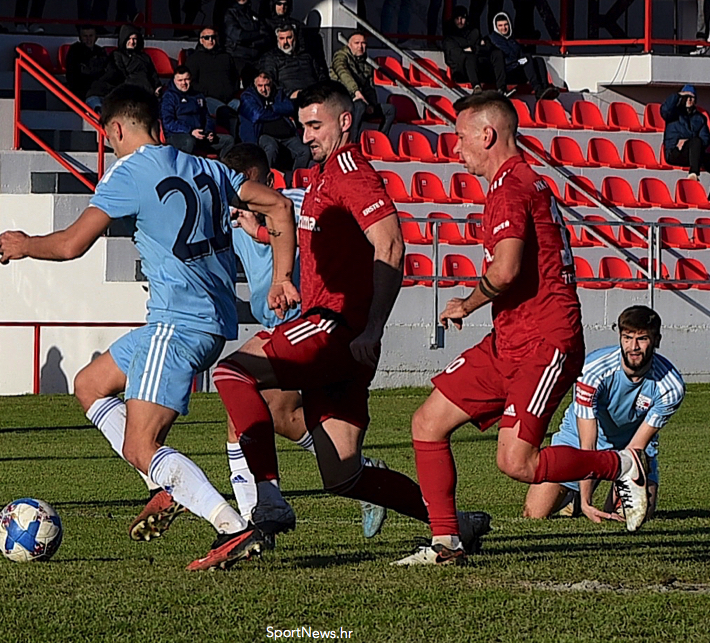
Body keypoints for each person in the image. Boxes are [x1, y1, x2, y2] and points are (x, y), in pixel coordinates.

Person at [0, 84, 300, 571]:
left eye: (108, 136)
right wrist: (282, 277)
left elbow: (74, 244)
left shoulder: (129, 172)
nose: (110, 145)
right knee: (90, 384)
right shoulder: (209, 167)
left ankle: (230, 526)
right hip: (206, 323)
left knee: (141, 446)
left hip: (177, 324)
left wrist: (24, 243)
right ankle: (165, 485)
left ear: (116, 128)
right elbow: (281, 207)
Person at [212, 81, 493, 557]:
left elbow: (392, 245)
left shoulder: (350, 172)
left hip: (336, 327)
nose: (306, 136)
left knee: (230, 370)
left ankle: (268, 500)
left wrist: (373, 327)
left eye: (315, 125)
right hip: (341, 335)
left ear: (345, 121)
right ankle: (453, 523)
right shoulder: (322, 176)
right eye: (302, 127)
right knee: (343, 474)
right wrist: (286, 278)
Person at [398, 92, 651, 566]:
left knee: (516, 462)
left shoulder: (513, 188)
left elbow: (507, 270)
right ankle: (447, 543)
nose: (455, 150)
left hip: (543, 341)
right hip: (509, 339)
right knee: (427, 423)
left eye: (460, 138)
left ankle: (619, 463)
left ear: (486, 135)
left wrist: (467, 303)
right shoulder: (513, 185)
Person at [219, 143, 388, 537]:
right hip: (278, 324)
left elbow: (291, 228)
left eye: (250, 187)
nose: (245, 197)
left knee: (239, 397)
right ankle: (360, 473)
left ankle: (255, 517)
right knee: (277, 416)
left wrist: (259, 229)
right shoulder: (230, 217)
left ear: (265, 180)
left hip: (310, 323)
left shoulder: (292, 201)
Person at [522, 307, 685, 523]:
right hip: (578, 439)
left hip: (630, 447)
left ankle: (585, 496)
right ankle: (575, 498)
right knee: (534, 514)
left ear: (657, 340)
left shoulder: (671, 386)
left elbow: (636, 446)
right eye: (627, 338)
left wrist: (625, 475)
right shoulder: (592, 369)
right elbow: (587, 444)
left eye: (642, 339)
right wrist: (587, 502)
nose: (633, 347)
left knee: (629, 518)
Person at [661, 86, 710, 191]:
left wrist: (689, 142)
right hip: (676, 152)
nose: (689, 100)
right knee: (695, 141)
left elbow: (705, 139)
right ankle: (693, 174)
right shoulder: (673, 114)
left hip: (695, 153)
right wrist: (678, 95)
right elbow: (665, 109)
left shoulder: (700, 118)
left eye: (692, 97)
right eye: (687, 97)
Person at [330, 32, 396, 143]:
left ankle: (380, 141)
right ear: (349, 44)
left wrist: (371, 104)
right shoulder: (341, 56)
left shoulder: (365, 63)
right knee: (359, 105)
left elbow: (369, 87)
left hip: (362, 103)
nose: (360, 46)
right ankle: (352, 142)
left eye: (363, 43)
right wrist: (355, 91)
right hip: (343, 102)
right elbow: (343, 73)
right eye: (357, 43)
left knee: (390, 109)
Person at [239, 71, 310, 170]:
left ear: (271, 84)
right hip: (263, 134)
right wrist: (279, 112)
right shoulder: (247, 96)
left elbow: (290, 107)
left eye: (267, 85)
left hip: (285, 133)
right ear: (255, 85)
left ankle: (295, 179)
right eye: (260, 86)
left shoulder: (278, 93)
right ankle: (265, 179)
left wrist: (271, 108)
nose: (263, 89)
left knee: (304, 151)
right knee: (270, 148)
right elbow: (258, 115)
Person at [161, 67, 234, 159]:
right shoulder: (169, 97)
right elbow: (168, 123)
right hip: (179, 135)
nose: (184, 83)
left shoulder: (197, 95)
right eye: (180, 80)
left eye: (186, 79)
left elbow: (206, 116)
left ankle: (221, 168)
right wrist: (190, 131)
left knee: (228, 140)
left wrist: (209, 131)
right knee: (189, 141)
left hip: (200, 135)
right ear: (174, 80)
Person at [487, 12, 558, 100]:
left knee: (538, 60)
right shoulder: (493, 40)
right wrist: (518, 62)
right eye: (500, 26)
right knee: (527, 58)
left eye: (506, 25)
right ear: (496, 27)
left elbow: (519, 53)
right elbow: (505, 57)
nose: (504, 28)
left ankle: (545, 87)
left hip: (516, 69)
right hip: (506, 72)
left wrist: (521, 60)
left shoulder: (511, 39)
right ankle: (537, 89)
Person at [258, 25, 327, 100]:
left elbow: (321, 75)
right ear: (277, 39)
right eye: (282, 38)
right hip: (290, 99)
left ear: (295, 38)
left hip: (315, 95)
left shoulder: (307, 55)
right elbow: (269, 82)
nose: (285, 42)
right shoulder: (271, 58)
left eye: (289, 38)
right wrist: (289, 93)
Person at [100, 25, 162, 98]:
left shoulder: (144, 57)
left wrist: (157, 86)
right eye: (129, 39)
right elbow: (120, 75)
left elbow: (153, 74)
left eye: (134, 39)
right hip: (128, 92)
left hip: (148, 92)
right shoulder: (117, 55)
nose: (132, 42)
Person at [442, 5, 491, 91]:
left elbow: (484, 49)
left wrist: (473, 49)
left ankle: (503, 88)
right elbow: (455, 54)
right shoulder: (450, 37)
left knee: (495, 55)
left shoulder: (474, 32)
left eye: (462, 18)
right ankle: (476, 86)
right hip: (460, 71)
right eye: (457, 19)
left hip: (478, 67)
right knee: (470, 58)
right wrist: (473, 51)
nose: (460, 21)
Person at [224, 0, 269, 76]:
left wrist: (253, 42)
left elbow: (266, 35)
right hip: (238, 57)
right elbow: (238, 36)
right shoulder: (229, 14)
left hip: (257, 58)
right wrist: (258, 34)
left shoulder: (254, 15)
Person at [65, 25, 109, 103]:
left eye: (91, 36)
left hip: (98, 91)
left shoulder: (100, 51)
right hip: (80, 92)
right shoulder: (74, 51)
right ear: (80, 37)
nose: (88, 39)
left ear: (96, 37)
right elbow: (72, 75)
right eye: (85, 36)